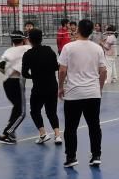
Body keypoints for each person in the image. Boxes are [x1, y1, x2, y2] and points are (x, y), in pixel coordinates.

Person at [58, 19, 108, 167]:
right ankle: (96, 155)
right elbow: (103, 71)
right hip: (93, 93)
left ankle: (71, 157)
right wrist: (99, 88)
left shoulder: (68, 47)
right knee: (94, 126)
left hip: (74, 94)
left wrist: (60, 87)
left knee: (70, 128)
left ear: (78, 29)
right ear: (92, 31)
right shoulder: (97, 48)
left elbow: (62, 71)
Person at [22, 29, 62, 145]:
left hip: (38, 87)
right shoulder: (49, 50)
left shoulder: (28, 54)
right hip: (52, 86)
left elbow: (24, 73)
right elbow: (56, 67)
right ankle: (57, 136)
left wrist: (34, 76)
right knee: (51, 112)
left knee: (34, 111)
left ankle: (43, 134)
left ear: (29, 40)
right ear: (41, 38)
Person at [0, 31, 30, 144]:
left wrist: (9, 72)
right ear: (23, 39)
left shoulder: (7, 51)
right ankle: (5, 134)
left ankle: (11, 132)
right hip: (17, 82)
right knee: (22, 112)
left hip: (7, 82)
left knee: (16, 107)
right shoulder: (26, 48)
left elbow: (1, 67)